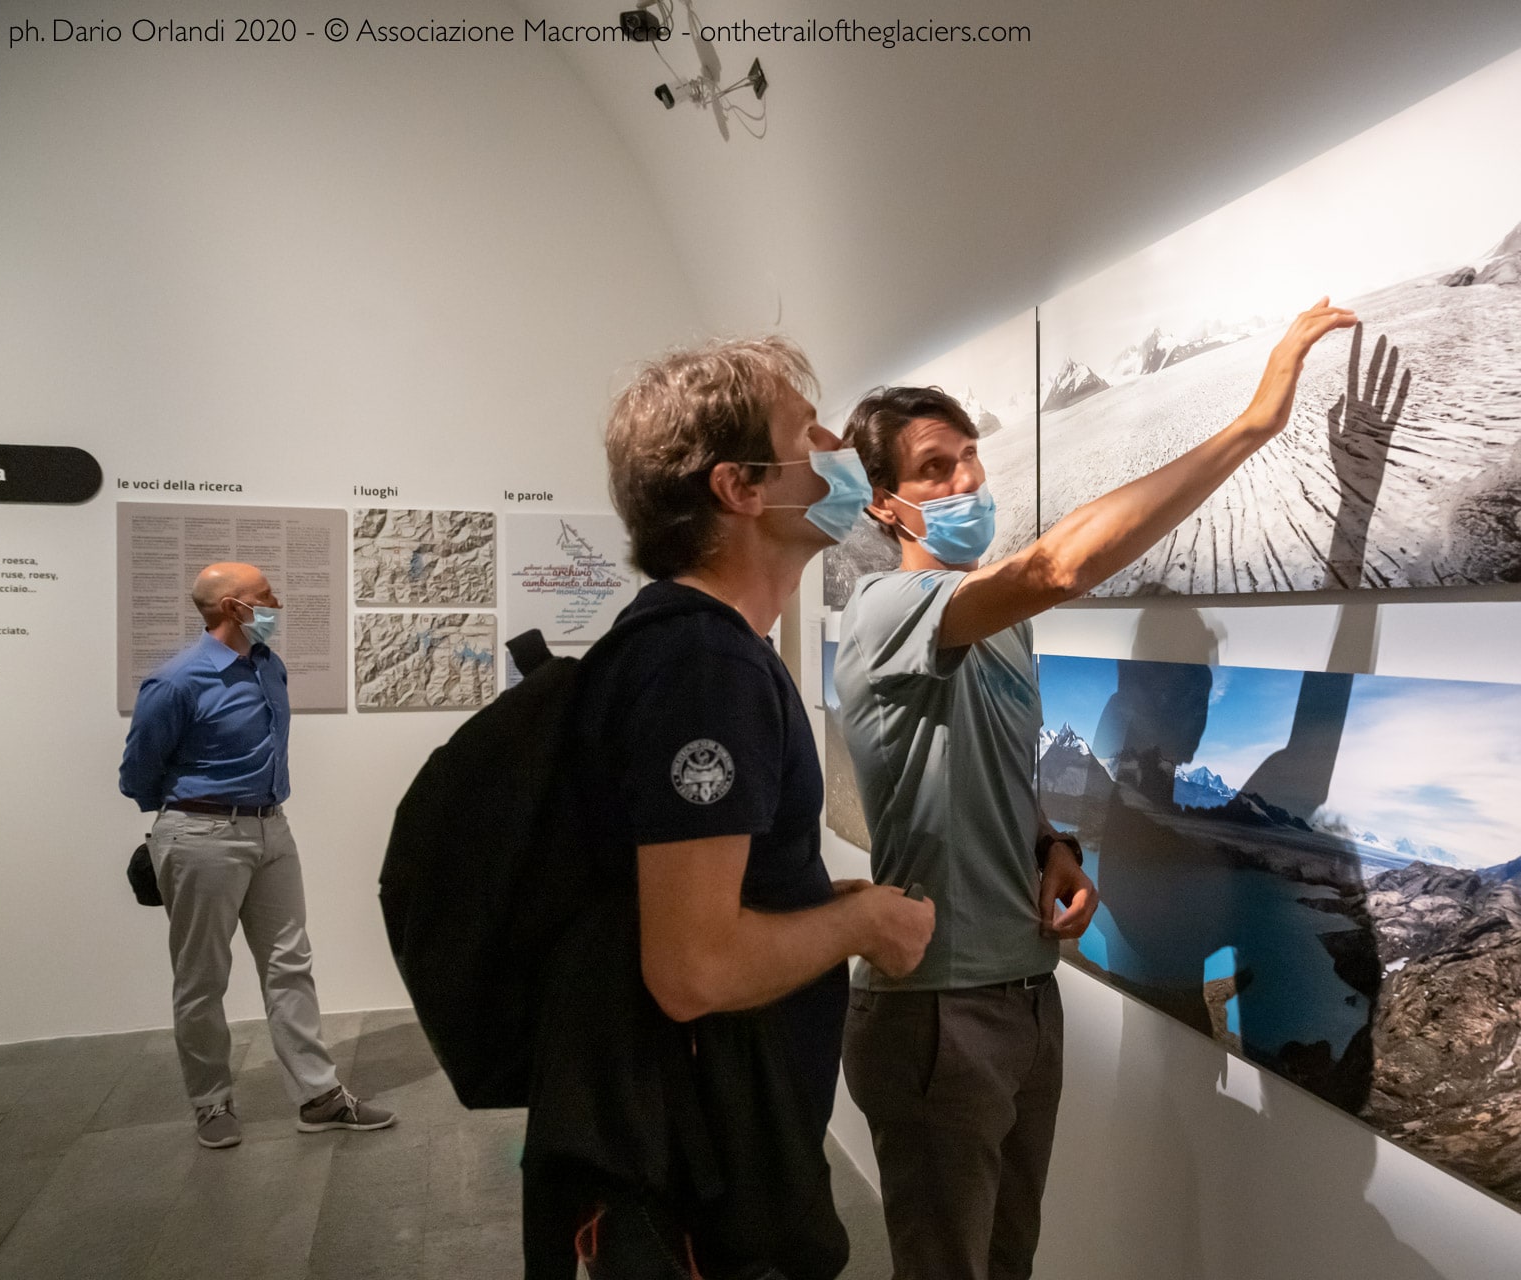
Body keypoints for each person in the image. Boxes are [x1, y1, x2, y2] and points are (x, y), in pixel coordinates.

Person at [834, 298, 1358, 1280]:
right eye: (931, 470)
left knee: (1007, 1259)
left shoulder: (1000, 626)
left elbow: (993, 765)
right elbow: (1061, 562)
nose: (963, 481)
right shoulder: (884, 610)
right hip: (937, 1011)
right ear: (884, 506)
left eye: (966, 457)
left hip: (1026, 994)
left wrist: (1050, 847)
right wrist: (1253, 424)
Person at [520, 335, 938, 1279]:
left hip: (712, 1134)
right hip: (704, 1165)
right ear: (741, 490)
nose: (839, 445)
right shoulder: (703, 667)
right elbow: (693, 968)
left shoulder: (699, 650)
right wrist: (865, 918)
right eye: (808, 432)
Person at [119, 562, 395, 1149]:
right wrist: (183, 818)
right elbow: (137, 774)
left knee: (289, 962)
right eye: (264, 596)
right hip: (200, 835)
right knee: (202, 976)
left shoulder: (269, 665)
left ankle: (319, 1096)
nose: (276, 602)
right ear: (231, 608)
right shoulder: (177, 682)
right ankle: (212, 1103)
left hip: (273, 829)